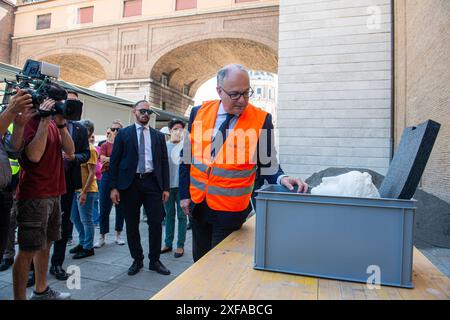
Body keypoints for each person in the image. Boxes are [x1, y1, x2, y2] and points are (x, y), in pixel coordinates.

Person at [179, 64, 308, 262]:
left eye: (247, 93)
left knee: (219, 266)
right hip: (198, 206)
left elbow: (268, 164)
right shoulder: (198, 112)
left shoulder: (262, 119)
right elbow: (187, 159)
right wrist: (184, 195)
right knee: (200, 262)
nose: (242, 100)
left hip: (230, 212)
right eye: (235, 94)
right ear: (219, 91)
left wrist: (282, 178)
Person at [13, 89, 75, 300]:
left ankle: (41, 290)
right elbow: (34, 156)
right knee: (27, 250)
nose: (59, 106)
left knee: (46, 243)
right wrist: (43, 121)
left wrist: (60, 124)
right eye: (56, 102)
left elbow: (71, 151)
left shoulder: (54, 124)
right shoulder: (31, 121)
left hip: (55, 191)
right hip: (35, 194)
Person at [109, 100, 171, 276]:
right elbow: (114, 162)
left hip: (152, 183)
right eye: (142, 111)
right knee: (132, 224)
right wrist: (113, 188)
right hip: (130, 185)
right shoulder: (123, 134)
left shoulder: (158, 136)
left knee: (156, 222)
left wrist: (165, 187)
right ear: (134, 111)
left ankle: (154, 260)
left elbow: (164, 162)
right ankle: (137, 259)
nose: (146, 114)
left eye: (148, 112)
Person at [49, 90, 90, 281]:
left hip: (67, 182)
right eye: (67, 102)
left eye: (74, 103)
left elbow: (86, 154)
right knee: (42, 225)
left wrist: (74, 157)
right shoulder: (47, 122)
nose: (70, 107)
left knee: (63, 226)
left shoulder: (80, 129)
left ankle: (57, 263)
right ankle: (33, 267)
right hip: (47, 181)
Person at [0, 90, 34, 266]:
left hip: (4, 193)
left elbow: (13, 151)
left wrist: (20, 125)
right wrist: (12, 110)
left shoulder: (4, 120)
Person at [69, 120, 98, 259]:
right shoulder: (78, 147)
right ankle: (82, 242)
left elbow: (92, 173)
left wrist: (84, 192)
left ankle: (88, 247)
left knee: (86, 219)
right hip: (76, 189)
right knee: (74, 217)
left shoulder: (91, 149)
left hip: (87, 190)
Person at [95, 120, 125, 248]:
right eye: (113, 129)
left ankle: (118, 235)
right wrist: (115, 160)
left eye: (118, 129)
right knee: (104, 206)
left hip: (120, 176)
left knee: (120, 207)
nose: (115, 131)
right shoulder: (104, 145)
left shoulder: (125, 144)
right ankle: (102, 236)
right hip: (106, 176)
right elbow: (102, 159)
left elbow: (125, 161)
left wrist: (110, 160)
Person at [161, 119, 187, 258]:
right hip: (168, 187)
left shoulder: (186, 146)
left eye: (181, 129)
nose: (178, 131)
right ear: (170, 131)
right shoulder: (164, 146)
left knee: (182, 216)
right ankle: (168, 243)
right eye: (176, 129)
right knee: (169, 216)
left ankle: (180, 245)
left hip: (182, 187)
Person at [90, 133, 101, 227]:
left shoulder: (98, 149)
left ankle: (96, 220)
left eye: (93, 137)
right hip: (89, 177)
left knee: (95, 200)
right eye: (91, 136)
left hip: (98, 178)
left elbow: (101, 161)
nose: (92, 138)